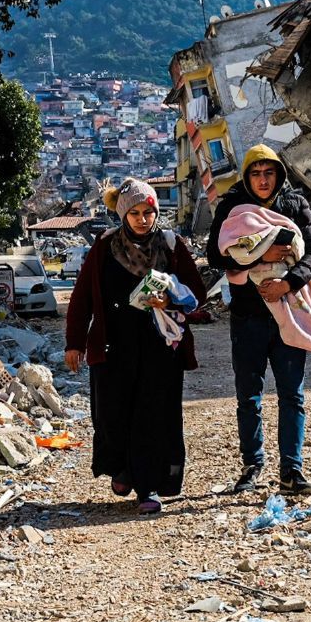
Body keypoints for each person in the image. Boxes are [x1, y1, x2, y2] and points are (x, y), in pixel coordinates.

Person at [65, 178, 206, 514]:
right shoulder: (104, 247)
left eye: (149, 212)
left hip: (159, 347)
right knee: (112, 415)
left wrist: (168, 299)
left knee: (152, 416)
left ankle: (149, 487)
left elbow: (197, 294)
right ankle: (123, 469)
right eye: (135, 213)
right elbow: (82, 296)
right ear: (123, 215)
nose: (143, 219)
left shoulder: (171, 246)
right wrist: (75, 343)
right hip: (113, 345)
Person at [206, 145, 311, 495]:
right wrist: (260, 255)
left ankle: (292, 470)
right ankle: (252, 464)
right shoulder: (231, 205)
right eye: (255, 173)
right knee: (249, 395)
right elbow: (214, 253)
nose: (262, 180)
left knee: (292, 394)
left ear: (279, 174)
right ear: (247, 176)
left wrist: (288, 282)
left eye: (268, 173)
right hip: (248, 316)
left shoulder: (295, 205)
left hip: (289, 309)